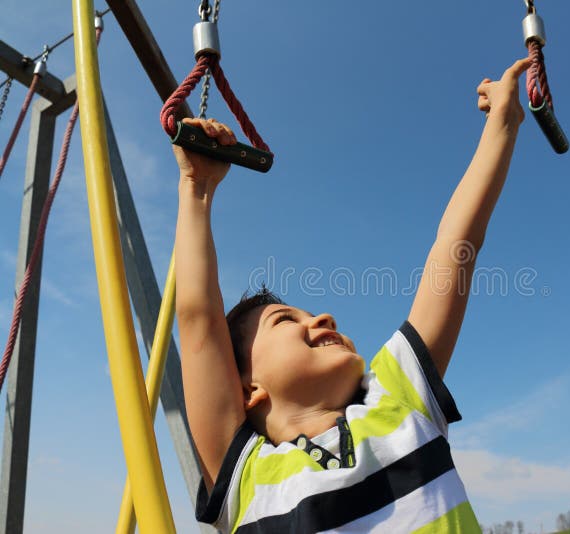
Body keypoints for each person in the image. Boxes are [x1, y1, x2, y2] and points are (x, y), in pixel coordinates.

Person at [174, 57, 533, 533]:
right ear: (247, 390)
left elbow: (453, 251)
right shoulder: (244, 475)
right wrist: (196, 188)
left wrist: (502, 127)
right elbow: (199, 321)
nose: (323, 317)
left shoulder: (397, 399)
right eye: (286, 320)